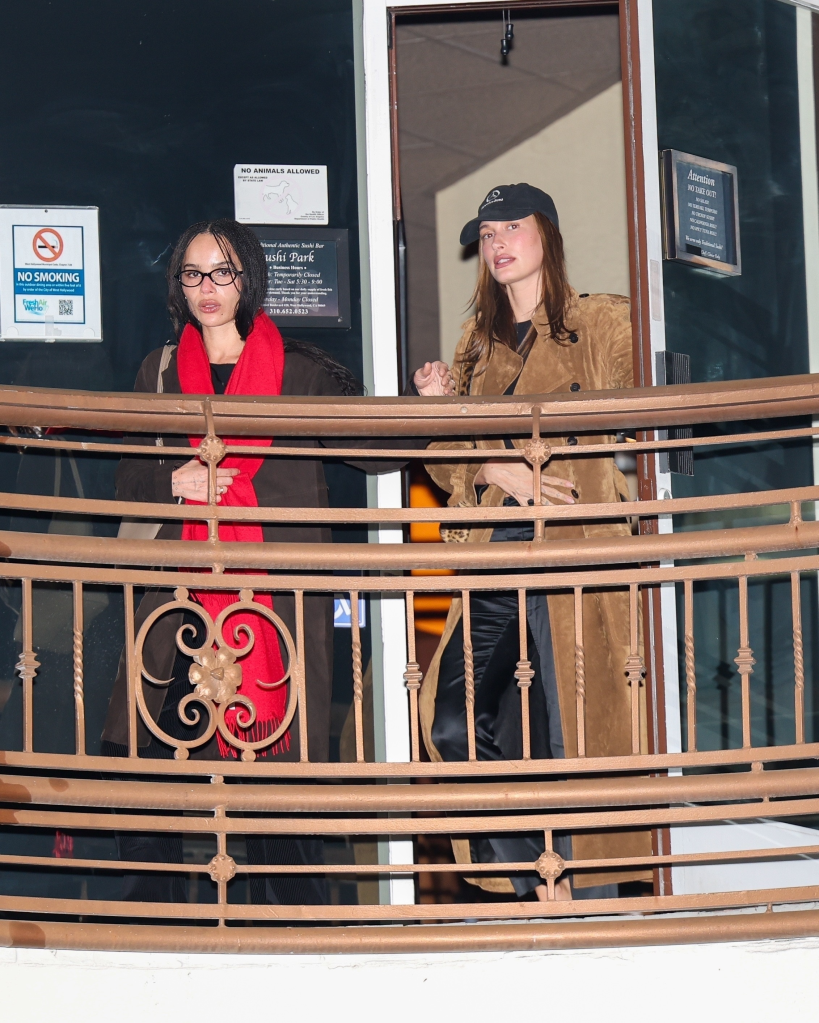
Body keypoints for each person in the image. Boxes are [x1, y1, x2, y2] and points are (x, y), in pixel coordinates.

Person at [101, 218, 452, 904]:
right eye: (193, 273)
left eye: (222, 272)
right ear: (178, 286)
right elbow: (127, 477)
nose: (207, 287)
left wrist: (425, 409)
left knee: (277, 786)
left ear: (248, 279)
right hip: (176, 608)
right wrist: (171, 481)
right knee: (145, 775)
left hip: (272, 611)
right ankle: (155, 936)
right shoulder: (161, 369)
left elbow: (371, 447)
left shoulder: (300, 371)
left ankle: (291, 940)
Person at [419, 183, 652, 901]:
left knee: (578, 729)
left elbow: (651, 401)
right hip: (496, 545)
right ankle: (528, 879)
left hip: (578, 545)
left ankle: (589, 895)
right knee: (451, 721)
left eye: (509, 227)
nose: (495, 243)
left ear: (544, 235)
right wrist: (462, 433)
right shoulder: (472, 348)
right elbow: (443, 459)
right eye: (486, 232)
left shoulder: (600, 321)